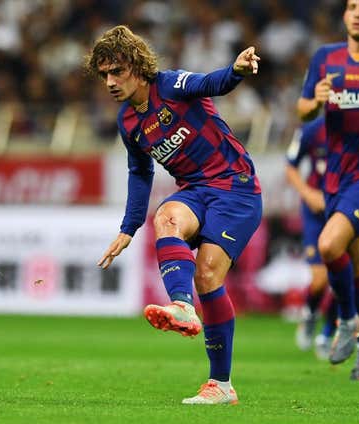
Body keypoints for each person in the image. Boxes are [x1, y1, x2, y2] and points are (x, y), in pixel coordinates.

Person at [85, 25, 262, 404]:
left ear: (136, 65)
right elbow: (140, 171)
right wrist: (128, 227)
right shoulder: (128, 122)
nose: (110, 82)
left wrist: (236, 72)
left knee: (208, 275)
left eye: (117, 71)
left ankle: (221, 385)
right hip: (196, 191)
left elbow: (211, 83)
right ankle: (182, 307)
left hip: (236, 187)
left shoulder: (171, 85)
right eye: (104, 75)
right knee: (164, 217)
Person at [297, 0, 359, 380]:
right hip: (336, 176)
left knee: (328, 245)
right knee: (353, 266)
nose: (357, 13)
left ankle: (347, 321)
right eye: (352, 6)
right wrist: (314, 101)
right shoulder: (325, 57)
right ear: (344, 15)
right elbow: (303, 110)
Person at [285, 117, 338, 360]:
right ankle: (310, 314)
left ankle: (327, 334)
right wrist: (308, 194)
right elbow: (290, 165)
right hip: (316, 210)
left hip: (344, 206)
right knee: (320, 279)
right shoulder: (312, 129)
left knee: (341, 277)